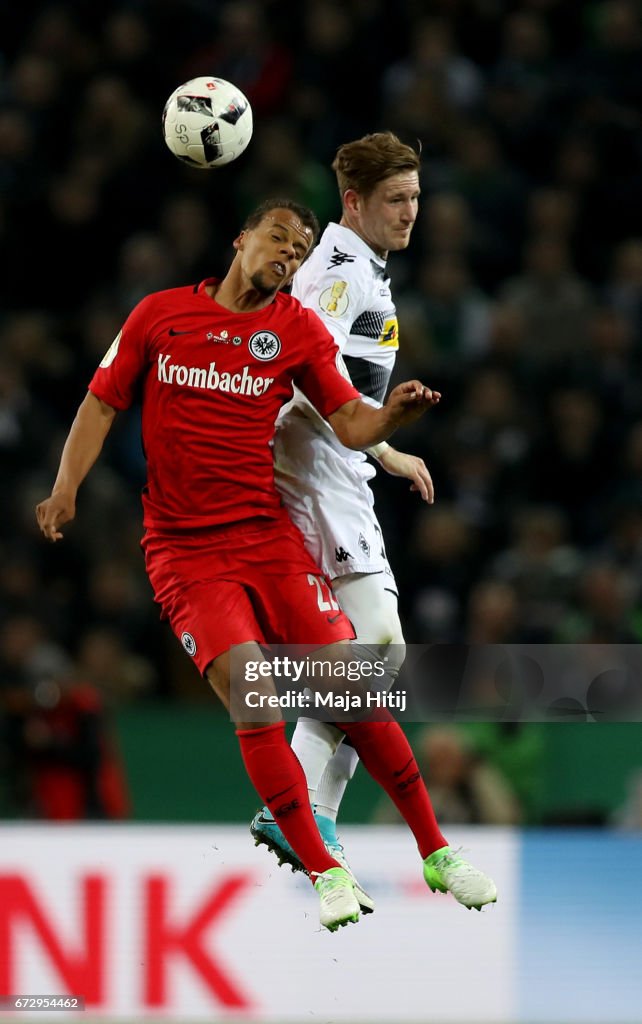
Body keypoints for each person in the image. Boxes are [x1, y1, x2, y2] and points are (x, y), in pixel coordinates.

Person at [36, 197, 495, 931]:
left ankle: (436, 850)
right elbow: (99, 402)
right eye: (278, 239)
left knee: (349, 685)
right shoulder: (158, 315)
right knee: (255, 694)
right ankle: (323, 868)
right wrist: (65, 489)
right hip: (187, 554)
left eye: (300, 247)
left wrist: (394, 418)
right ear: (240, 239)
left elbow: (349, 421)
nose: (289, 253)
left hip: (265, 537)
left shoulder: (295, 328)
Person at [250, 133, 442, 911]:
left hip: (342, 468)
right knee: (371, 653)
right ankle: (302, 810)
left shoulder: (361, 267)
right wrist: (373, 443)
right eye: (396, 200)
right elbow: (305, 370)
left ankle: (304, 811)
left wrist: (386, 451)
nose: (410, 212)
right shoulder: (336, 272)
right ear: (354, 202)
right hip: (317, 476)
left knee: (375, 654)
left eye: (417, 198)